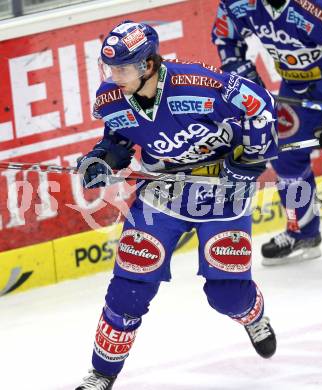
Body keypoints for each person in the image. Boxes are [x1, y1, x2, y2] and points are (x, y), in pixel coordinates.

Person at [75, 20, 278, 389]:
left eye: (122, 68)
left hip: (222, 191)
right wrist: (101, 160)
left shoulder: (197, 83)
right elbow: (118, 139)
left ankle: (251, 314)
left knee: (227, 294)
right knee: (129, 288)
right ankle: (101, 373)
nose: (113, 76)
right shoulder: (111, 97)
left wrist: (250, 158)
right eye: (110, 68)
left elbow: (260, 105)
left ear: (148, 65)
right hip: (163, 192)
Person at [212, 0, 322, 266]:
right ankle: (303, 232)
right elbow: (226, 38)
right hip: (295, 88)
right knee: (285, 155)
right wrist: (248, 81)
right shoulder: (237, 4)